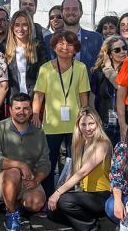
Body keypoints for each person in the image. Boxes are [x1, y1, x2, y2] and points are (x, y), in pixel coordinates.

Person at [31, 30, 91, 198]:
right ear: (54, 47)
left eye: (69, 44)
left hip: (75, 124)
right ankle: (48, 195)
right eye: (61, 43)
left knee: (74, 162)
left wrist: (85, 117)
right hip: (52, 125)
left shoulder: (80, 68)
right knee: (49, 163)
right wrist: (35, 113)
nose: (65, 47)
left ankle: (68, 198)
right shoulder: (45, 68)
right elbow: (39, 94)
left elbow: (83, 96)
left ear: (75, 48)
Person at [0, 93, 50, 231]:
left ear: (31, 110)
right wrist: (20, 164)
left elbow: (45, 162)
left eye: (26, 108)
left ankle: (14, 204)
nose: (22, 112)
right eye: (17, 108)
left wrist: (37, 181)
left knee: (36, 202)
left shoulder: (38, 132)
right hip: (1, 176)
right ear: (10, 110)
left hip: (28, 179)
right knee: (14, 171)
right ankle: (10, 213)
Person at [47, 108, 112, 231]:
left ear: (98, 123)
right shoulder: (80, 144)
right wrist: (58, 194)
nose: (87, 128)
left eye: (91, 123)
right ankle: (87, 222)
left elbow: (82, 172)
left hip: (102, 196)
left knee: (63, 200)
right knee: (52, 211)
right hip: (86, 195)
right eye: (83, 124)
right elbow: (74, 173)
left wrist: (57, 193)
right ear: (78, 126)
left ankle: (89, 226)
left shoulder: (103, 143)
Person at [91, 35, 128, 145]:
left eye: (124, 48)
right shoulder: (98, 72)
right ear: (108, 54)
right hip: (104, 125)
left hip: (126, 125)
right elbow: (92, 100)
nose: (122, 52)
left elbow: (120, 86)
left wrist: (109, 70)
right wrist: (96, 123)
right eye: (117, 50)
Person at [5, 10, 50, 98]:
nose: (20, 29)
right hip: (12, 100)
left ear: (30, 27)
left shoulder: (38, 47)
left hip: (34, 98)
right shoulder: (4, 48)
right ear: (12, 27)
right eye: (17, 25)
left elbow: (41, 78)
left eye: (24, 25)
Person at [61, 0, 103, 71]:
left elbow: (101, 67)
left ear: (81, 13)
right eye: (67, 9)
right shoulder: (48, 40)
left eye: (75, 9)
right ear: (61, 13)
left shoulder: (96, 38)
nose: (71, 12)